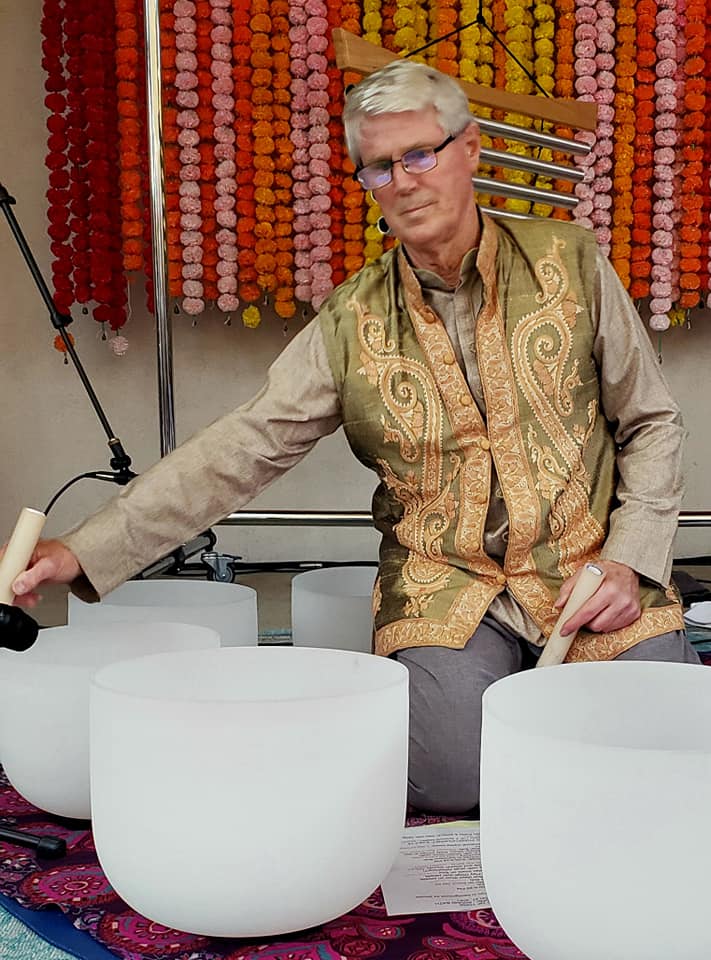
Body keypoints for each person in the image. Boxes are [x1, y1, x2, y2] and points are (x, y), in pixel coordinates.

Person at [4, 60, 699, 813]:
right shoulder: (350, 320)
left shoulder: (571, 262)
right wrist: (84, 548)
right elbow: (241, 448)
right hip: (446, 586)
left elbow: (651, 421)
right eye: (379, 166)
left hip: (589, 572)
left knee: (667, 743)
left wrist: (629, 560)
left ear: (468, 148)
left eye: (420, 154)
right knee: (448, 774)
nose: (403, 182)